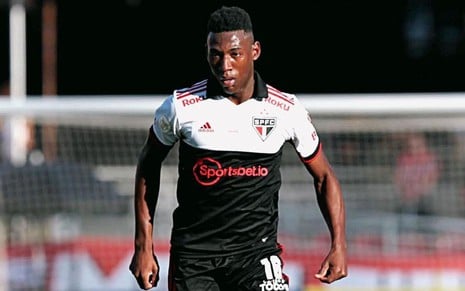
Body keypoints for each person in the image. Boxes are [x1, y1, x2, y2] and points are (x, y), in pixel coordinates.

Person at [129, 6, 347, 291]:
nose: (224, 65)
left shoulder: (286, 110)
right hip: (194, 258)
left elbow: (324, 177)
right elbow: (149, 163)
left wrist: (339, 244)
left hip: (256, 255)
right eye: (215, 54)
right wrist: (143, 246)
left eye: (234, 54)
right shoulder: (181, 106)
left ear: (254, 51)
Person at [393, 132, 440, 216]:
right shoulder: (404, 158)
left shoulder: (429, 158)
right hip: (407, 192)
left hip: (423, 193)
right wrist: (406, 189)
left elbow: (431, 179)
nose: (413, 149)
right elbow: (398, 177)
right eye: (410, 146)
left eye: (417, 146)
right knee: (406, 206)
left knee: (424, 201)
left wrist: (418, 189)